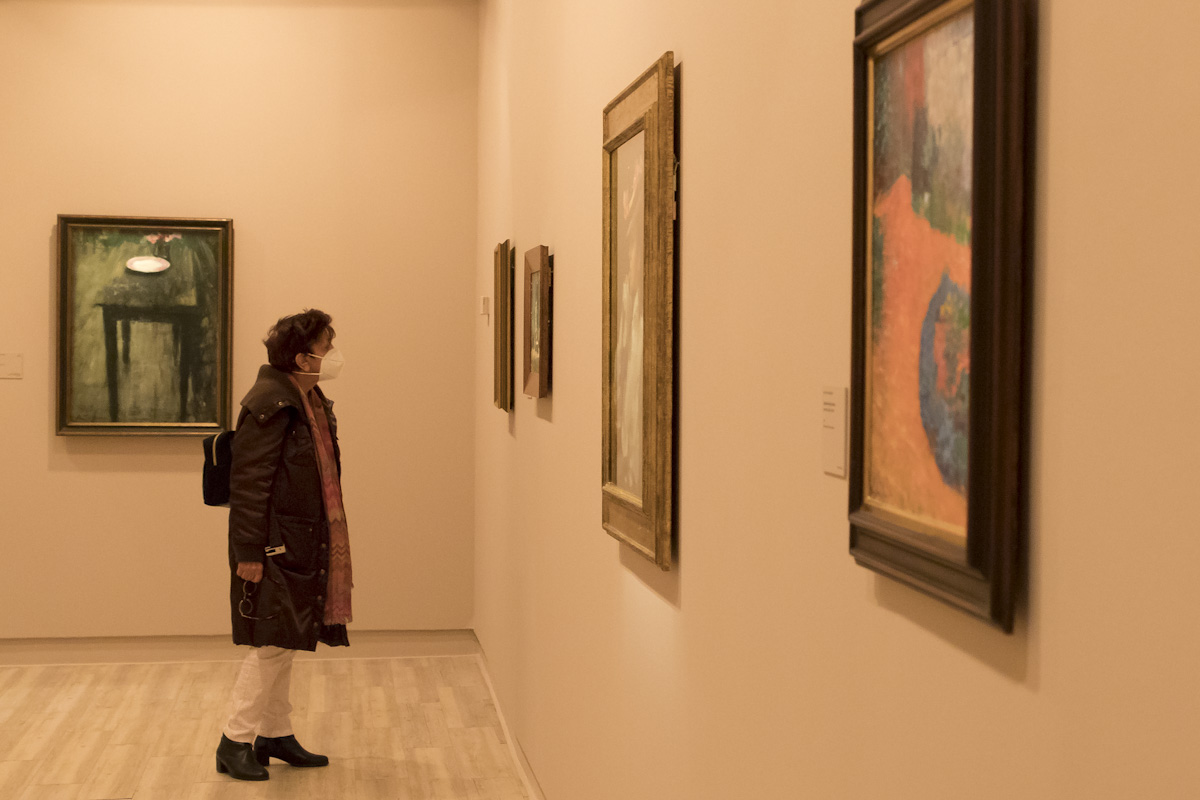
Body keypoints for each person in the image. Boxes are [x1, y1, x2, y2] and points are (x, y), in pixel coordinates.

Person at [214, 309, 352, 782]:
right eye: (326, 348)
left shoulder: (307, 399)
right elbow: (249, 485)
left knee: (285, 638)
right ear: (302, 358)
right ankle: (234, 740)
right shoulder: (270, 404)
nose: (333, 355)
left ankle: (274, 733)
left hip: (301, 537)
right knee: (272, 641)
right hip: (275, 546)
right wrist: (249, 553)